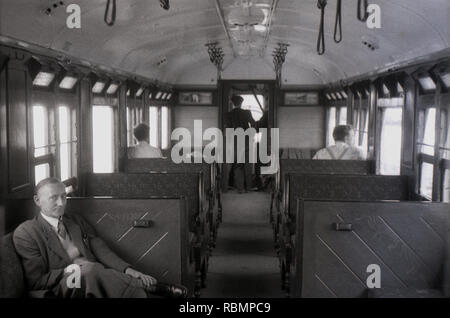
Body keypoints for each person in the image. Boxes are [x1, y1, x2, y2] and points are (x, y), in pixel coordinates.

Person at [13, 177, 187, 298]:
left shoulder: (75, 221)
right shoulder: (27, 233)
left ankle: (138, 286)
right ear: (37, 200)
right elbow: (36, 281)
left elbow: (100, 248)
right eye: (53, 198)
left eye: (64, 196)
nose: (61, 203)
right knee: (89, 269)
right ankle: (151, 286)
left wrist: (128, 270)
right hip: (61, 287)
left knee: (135, 294)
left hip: (96, 277)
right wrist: (71, 270)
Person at [223, 95, 256, 194]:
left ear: (233, 103)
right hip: (246, 141)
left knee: (238, 165)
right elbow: (254, 124)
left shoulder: (228, 115)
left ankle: (240, 188)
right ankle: (249, 187)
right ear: (241, 103)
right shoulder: (247, 113)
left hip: (235, 142)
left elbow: (228, 130)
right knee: (248, 164)